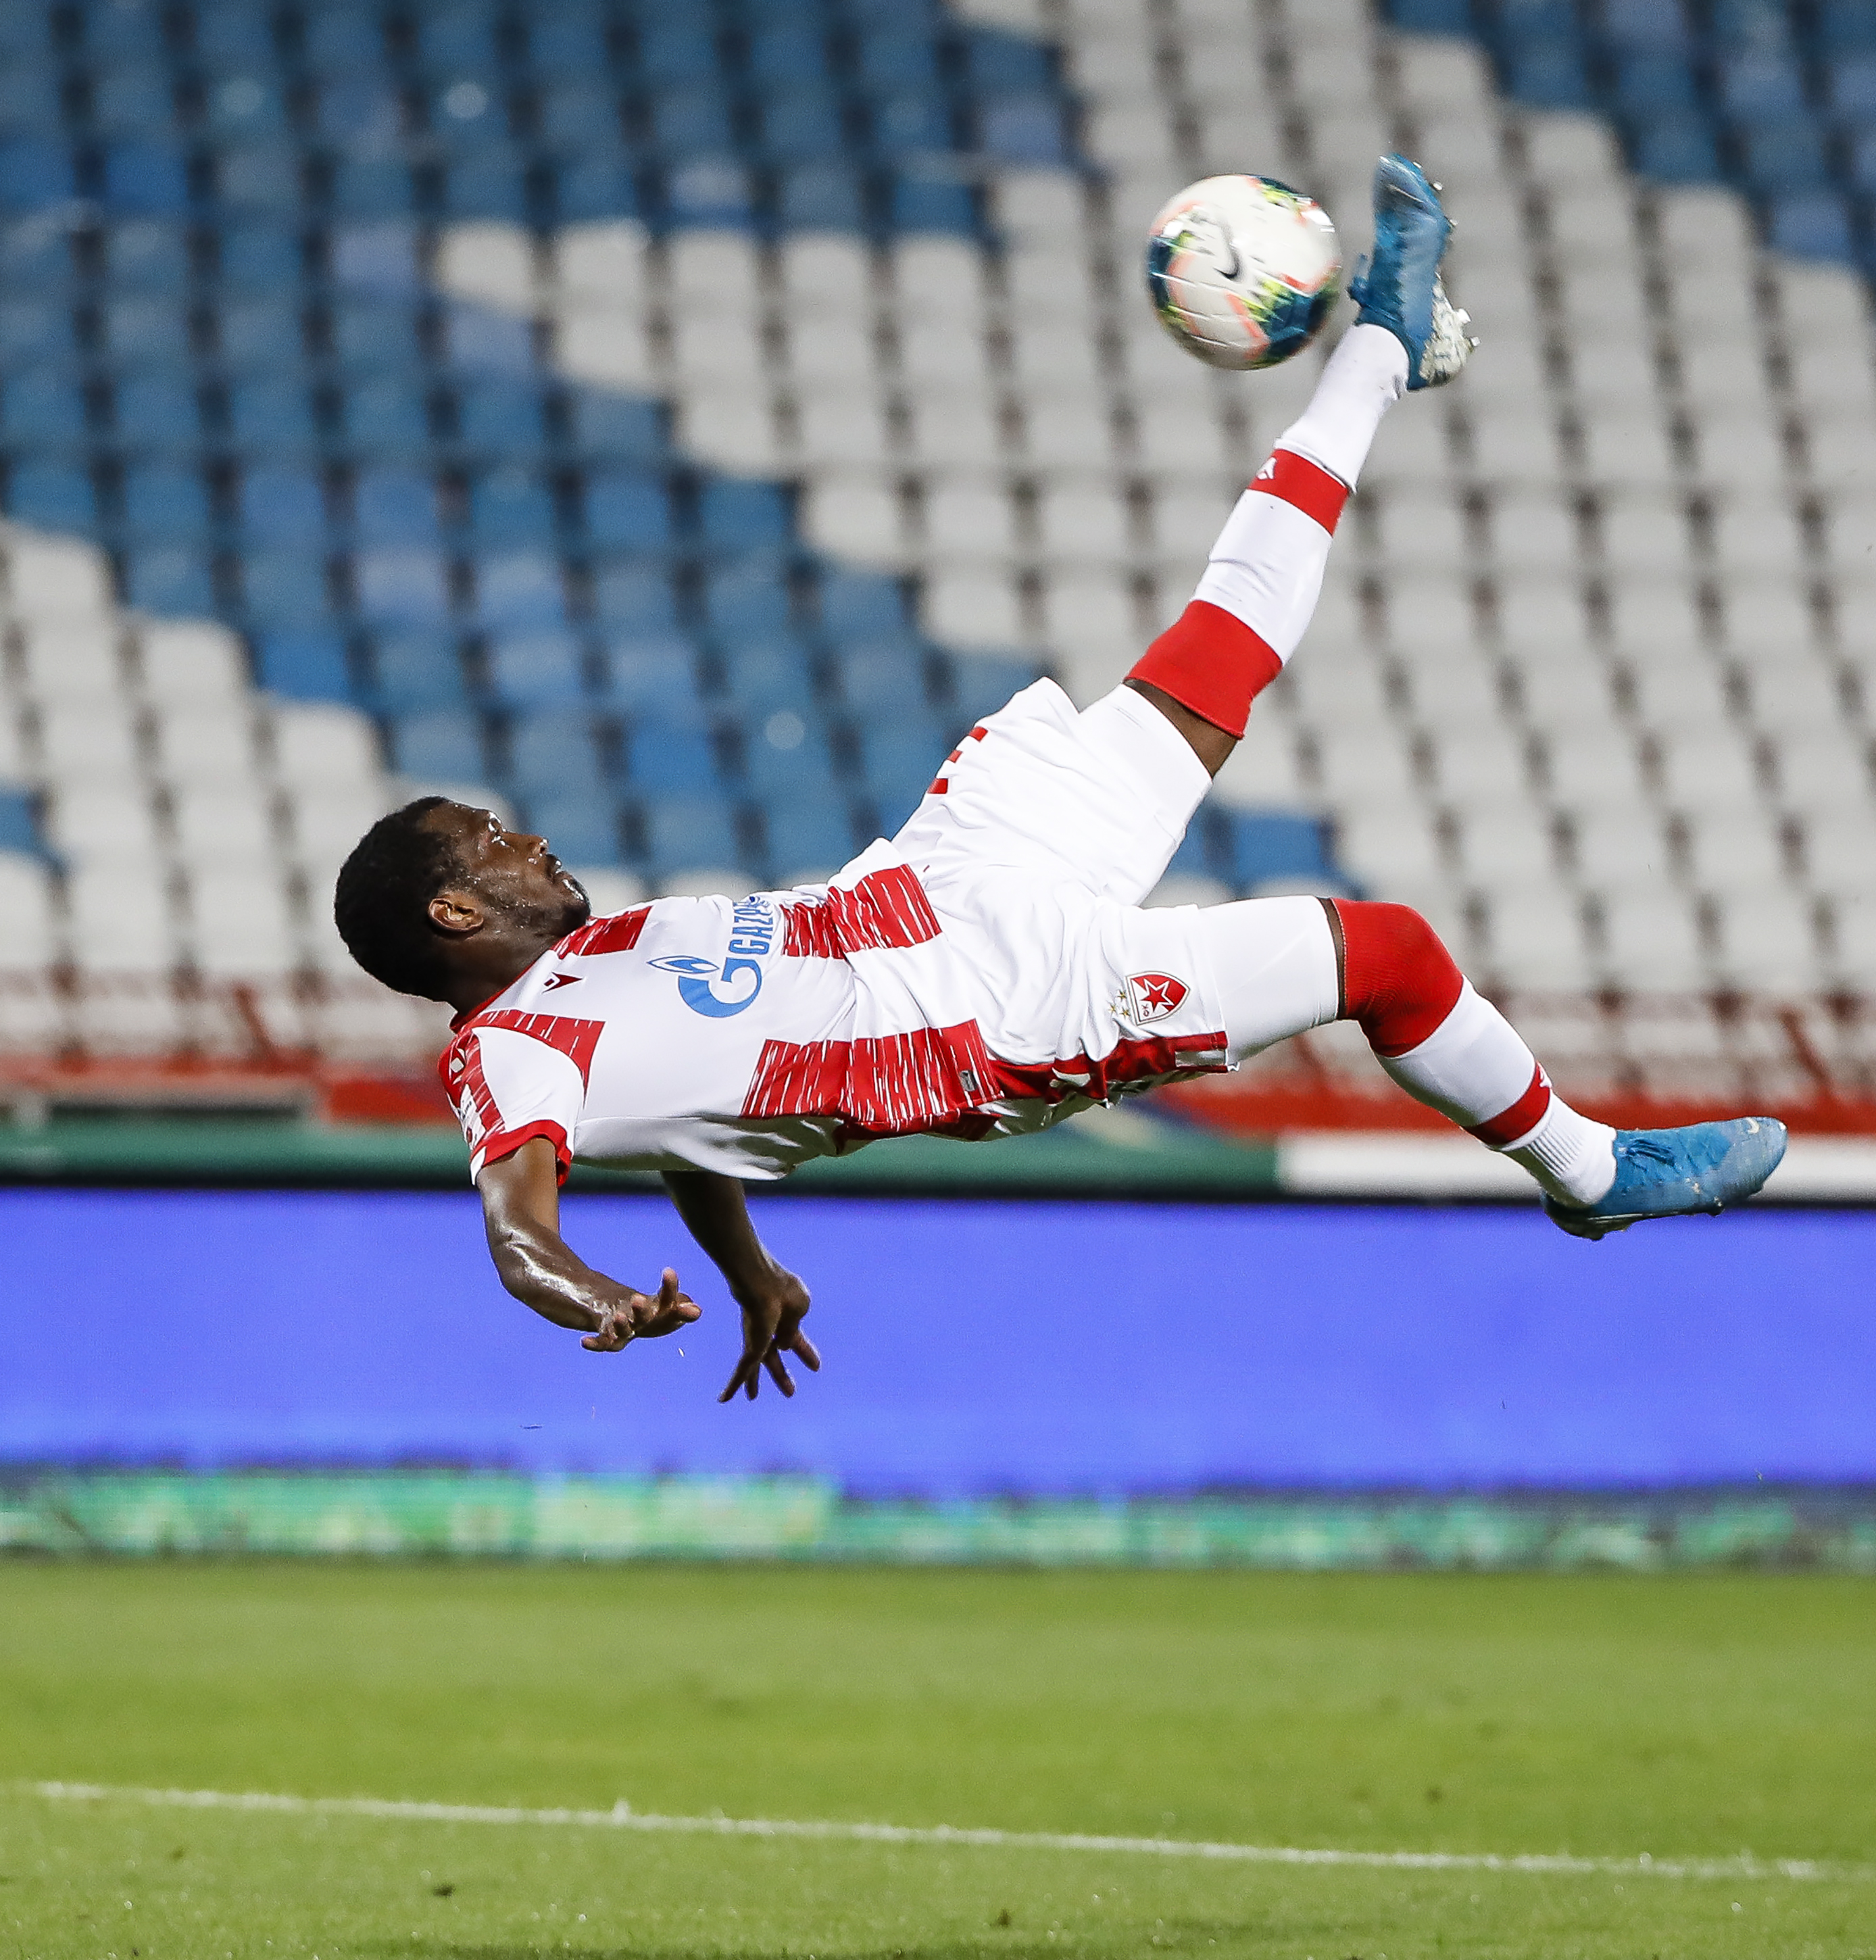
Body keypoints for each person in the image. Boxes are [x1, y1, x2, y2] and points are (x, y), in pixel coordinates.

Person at [328, 157, 1788, 1401]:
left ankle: (1386, 345)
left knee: (1213, 652)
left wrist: (751, 1262)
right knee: (1387, 951)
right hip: (994, 1015)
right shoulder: (508, 1058)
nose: (529, 842)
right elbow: (519, 1226)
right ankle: (1592, 1175)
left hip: (938, 879)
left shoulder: (601, 977)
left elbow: (687, 1123)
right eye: (494, 843)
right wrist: (601, 1302)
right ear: (456, 916)